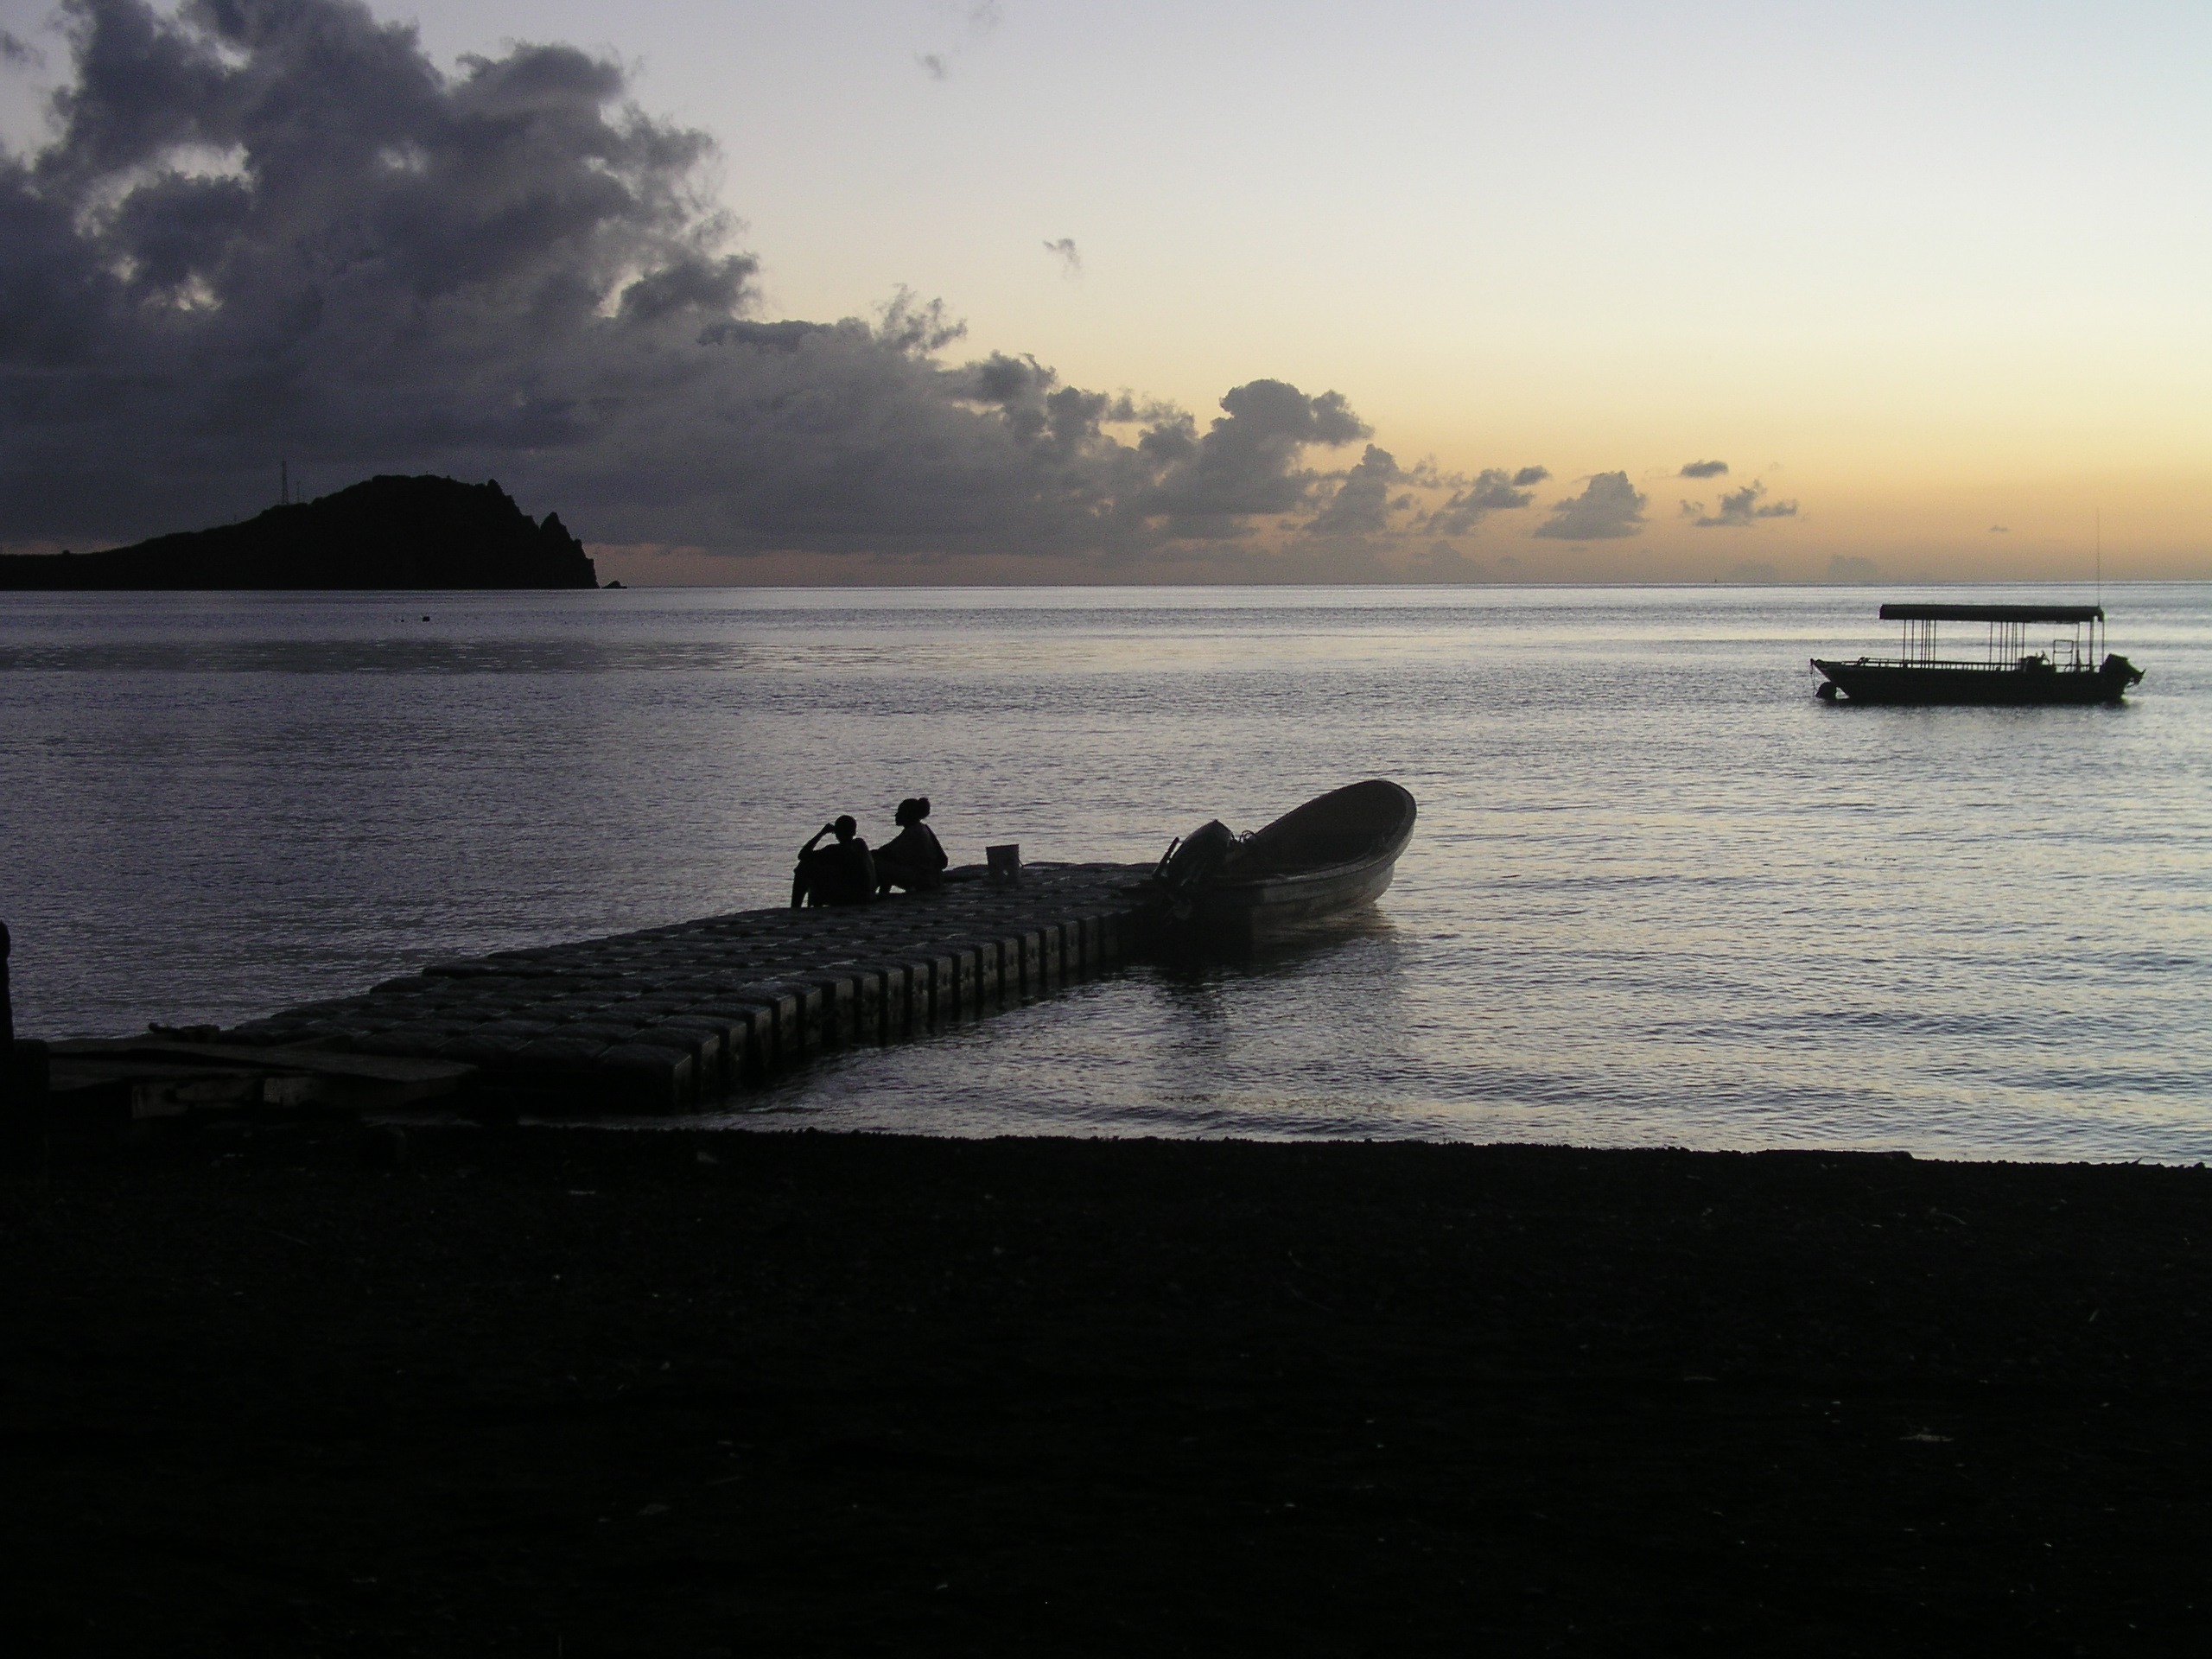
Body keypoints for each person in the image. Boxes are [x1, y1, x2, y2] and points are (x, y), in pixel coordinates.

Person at [791, 816, 876, 907]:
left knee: (803, 866)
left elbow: (803, 855)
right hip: (867, 895)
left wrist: (822, 833)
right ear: (854, 832)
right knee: (817, 868)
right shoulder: (860, 844)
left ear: (836, 832)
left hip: (853, 898)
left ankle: (795, 907)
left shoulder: (836, 850)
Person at [874, 797, 950, 894]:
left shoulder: (913, 832)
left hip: (924, 880)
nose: (896, 815)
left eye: (900, 811)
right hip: (934, 878)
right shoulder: (923, 828)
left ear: (909, 814)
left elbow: (890, 854)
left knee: (879, 864)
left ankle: (877, 895)